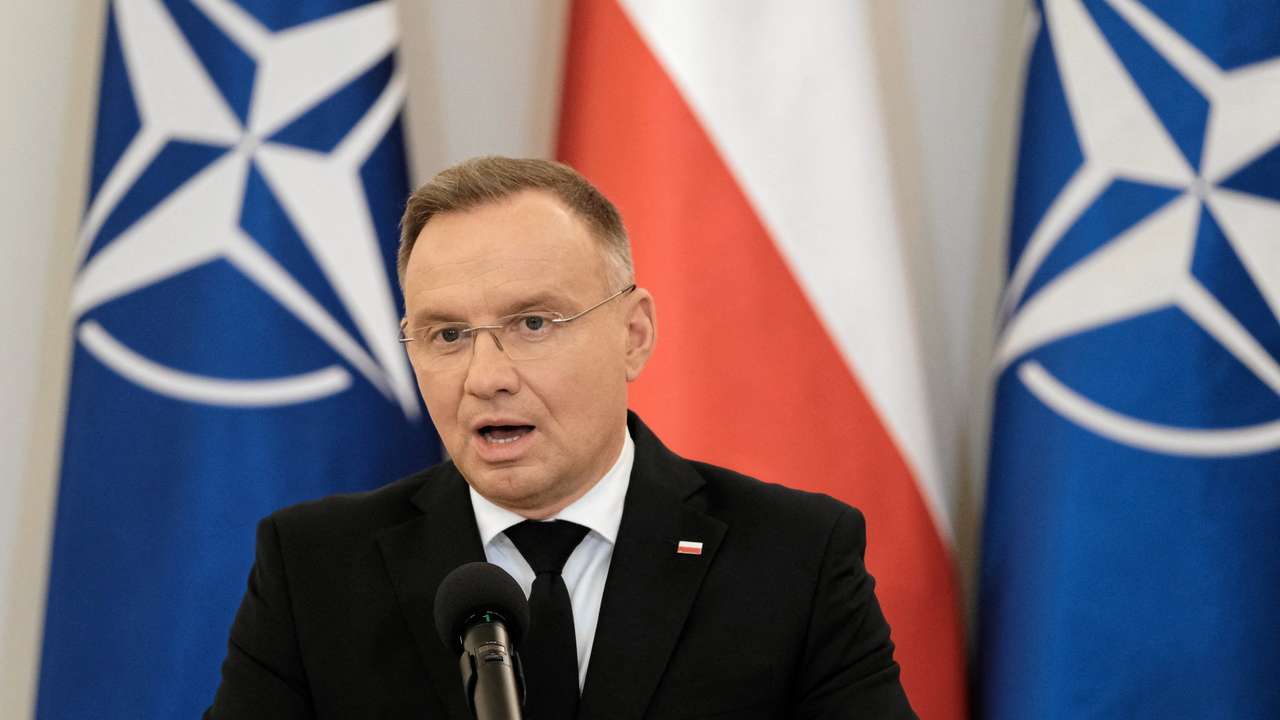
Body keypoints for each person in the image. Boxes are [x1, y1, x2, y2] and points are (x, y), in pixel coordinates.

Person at [206, 157, 916, 719]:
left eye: (533, 324)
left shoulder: (792, 557)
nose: (486, 377)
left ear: (633, 335)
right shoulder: (314, 568)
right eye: (448, 335)